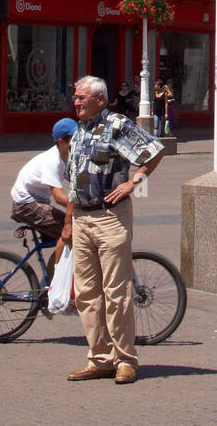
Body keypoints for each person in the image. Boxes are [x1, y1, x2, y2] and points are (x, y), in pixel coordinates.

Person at [63, 76, 164, 384]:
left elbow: (154, 151)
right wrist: (68, 221)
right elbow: (73, 181)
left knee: (115, 291)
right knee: (87, 293)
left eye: (82, 98)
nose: (76, 102)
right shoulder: (78, 129)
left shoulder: (116, 124)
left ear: (100, 100)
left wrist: (132, 183)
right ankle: (99, 357)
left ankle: (125, 359)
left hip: (110, 217)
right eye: (75, 97)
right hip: (82, 218)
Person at [9, 117, 75, 267]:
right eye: (73, 139)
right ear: (61, 142)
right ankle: (55, 282)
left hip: (37, 202)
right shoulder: (53, 161)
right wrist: (78, 206)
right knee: (72, 232)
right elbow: (58, 197)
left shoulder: (68, 157)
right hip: (26, 204)